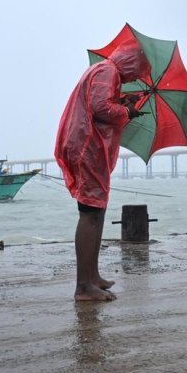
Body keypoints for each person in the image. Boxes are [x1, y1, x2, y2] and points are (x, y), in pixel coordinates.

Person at [55, 43, 151, 301]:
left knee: (97, 211)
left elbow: (99, 104)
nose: (135, 77)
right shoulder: (108, 72)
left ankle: (92, 275)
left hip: (89, 147)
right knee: (90, 214)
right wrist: (127, 111)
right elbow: (100, 109)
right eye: (138, 71)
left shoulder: (103, 71)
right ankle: (83, 286)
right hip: (88, 147)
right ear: (131, 61)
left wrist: (122, 101)